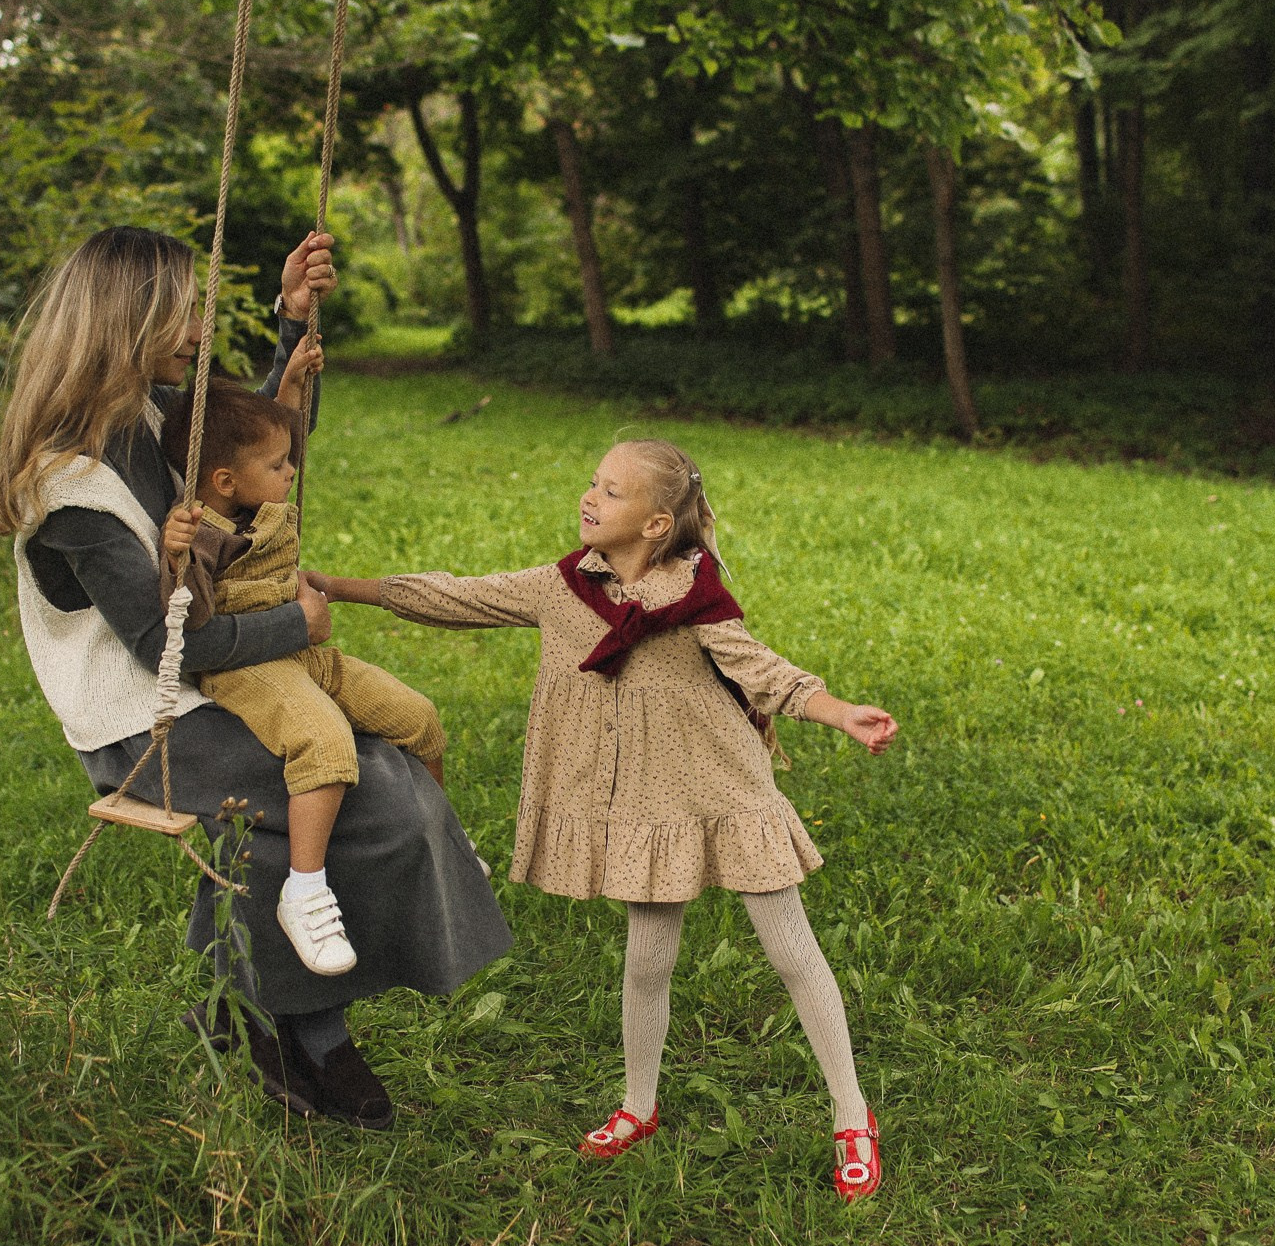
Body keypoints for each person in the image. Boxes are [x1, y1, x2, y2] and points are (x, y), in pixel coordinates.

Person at [0, 225, 509, 1130]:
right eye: (185, 307)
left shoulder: (146, 418)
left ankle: (279, 1020)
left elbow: (240, 449)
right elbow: (161, 647)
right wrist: (293, 622)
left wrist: (289, 327)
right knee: (370, 792)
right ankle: (289, 1024)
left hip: (227, 677)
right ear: (131, 318)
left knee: (361, 771)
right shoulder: (70, 485)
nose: (198, 321)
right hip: (142, 720)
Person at [313, 438, 899, 1197]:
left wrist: (841, 711)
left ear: (657, 524)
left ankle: (852, 1115)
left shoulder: (695, 597)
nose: (591, 497)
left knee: (791, 951)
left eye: (613, 492)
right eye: (593, 482)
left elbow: (767, 673)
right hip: (646, 808)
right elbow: (454, 595)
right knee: (648, 956)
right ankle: (638, 1105)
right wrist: (335, 584)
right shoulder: (561, 588)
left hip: (724, 791)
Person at [157, 377, 449, 977]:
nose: (292, 470)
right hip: (246, 668)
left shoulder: (253, 498)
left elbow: (282, 426)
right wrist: (174, 556)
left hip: (303, 653)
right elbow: (188, 619)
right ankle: (306, 889)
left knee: (418, 719)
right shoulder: (199, 533)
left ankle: (440, 842)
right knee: (324, 740)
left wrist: (292, 375)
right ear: (225, 482)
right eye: (278, 464)